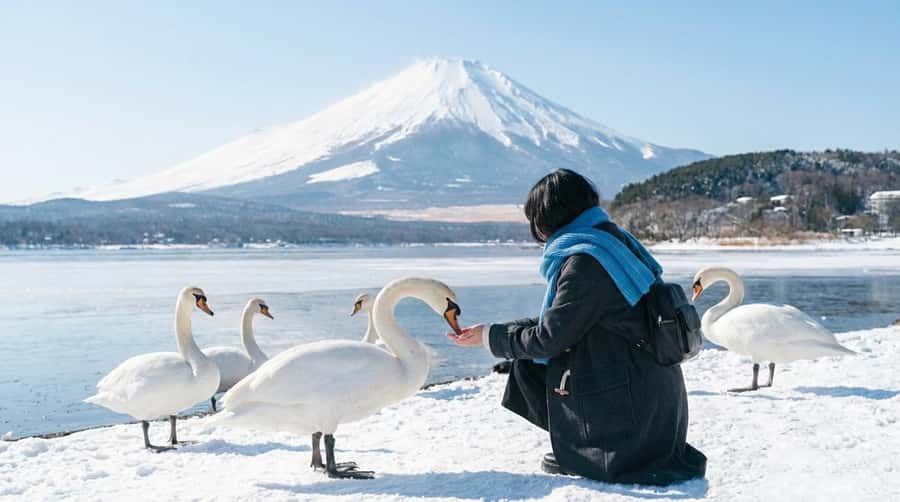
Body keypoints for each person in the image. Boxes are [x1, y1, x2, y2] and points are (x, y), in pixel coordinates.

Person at [447, 169, 706, 485]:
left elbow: (549, 339)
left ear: (546, 218)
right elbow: (565, 320)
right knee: (525, 361)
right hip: (652, 402)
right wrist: (494, 332)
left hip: (633, 419)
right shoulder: (611, 241)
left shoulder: (587, 262)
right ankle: (579, 442)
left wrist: (491, 337)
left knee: (529, 359)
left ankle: (593, 450)